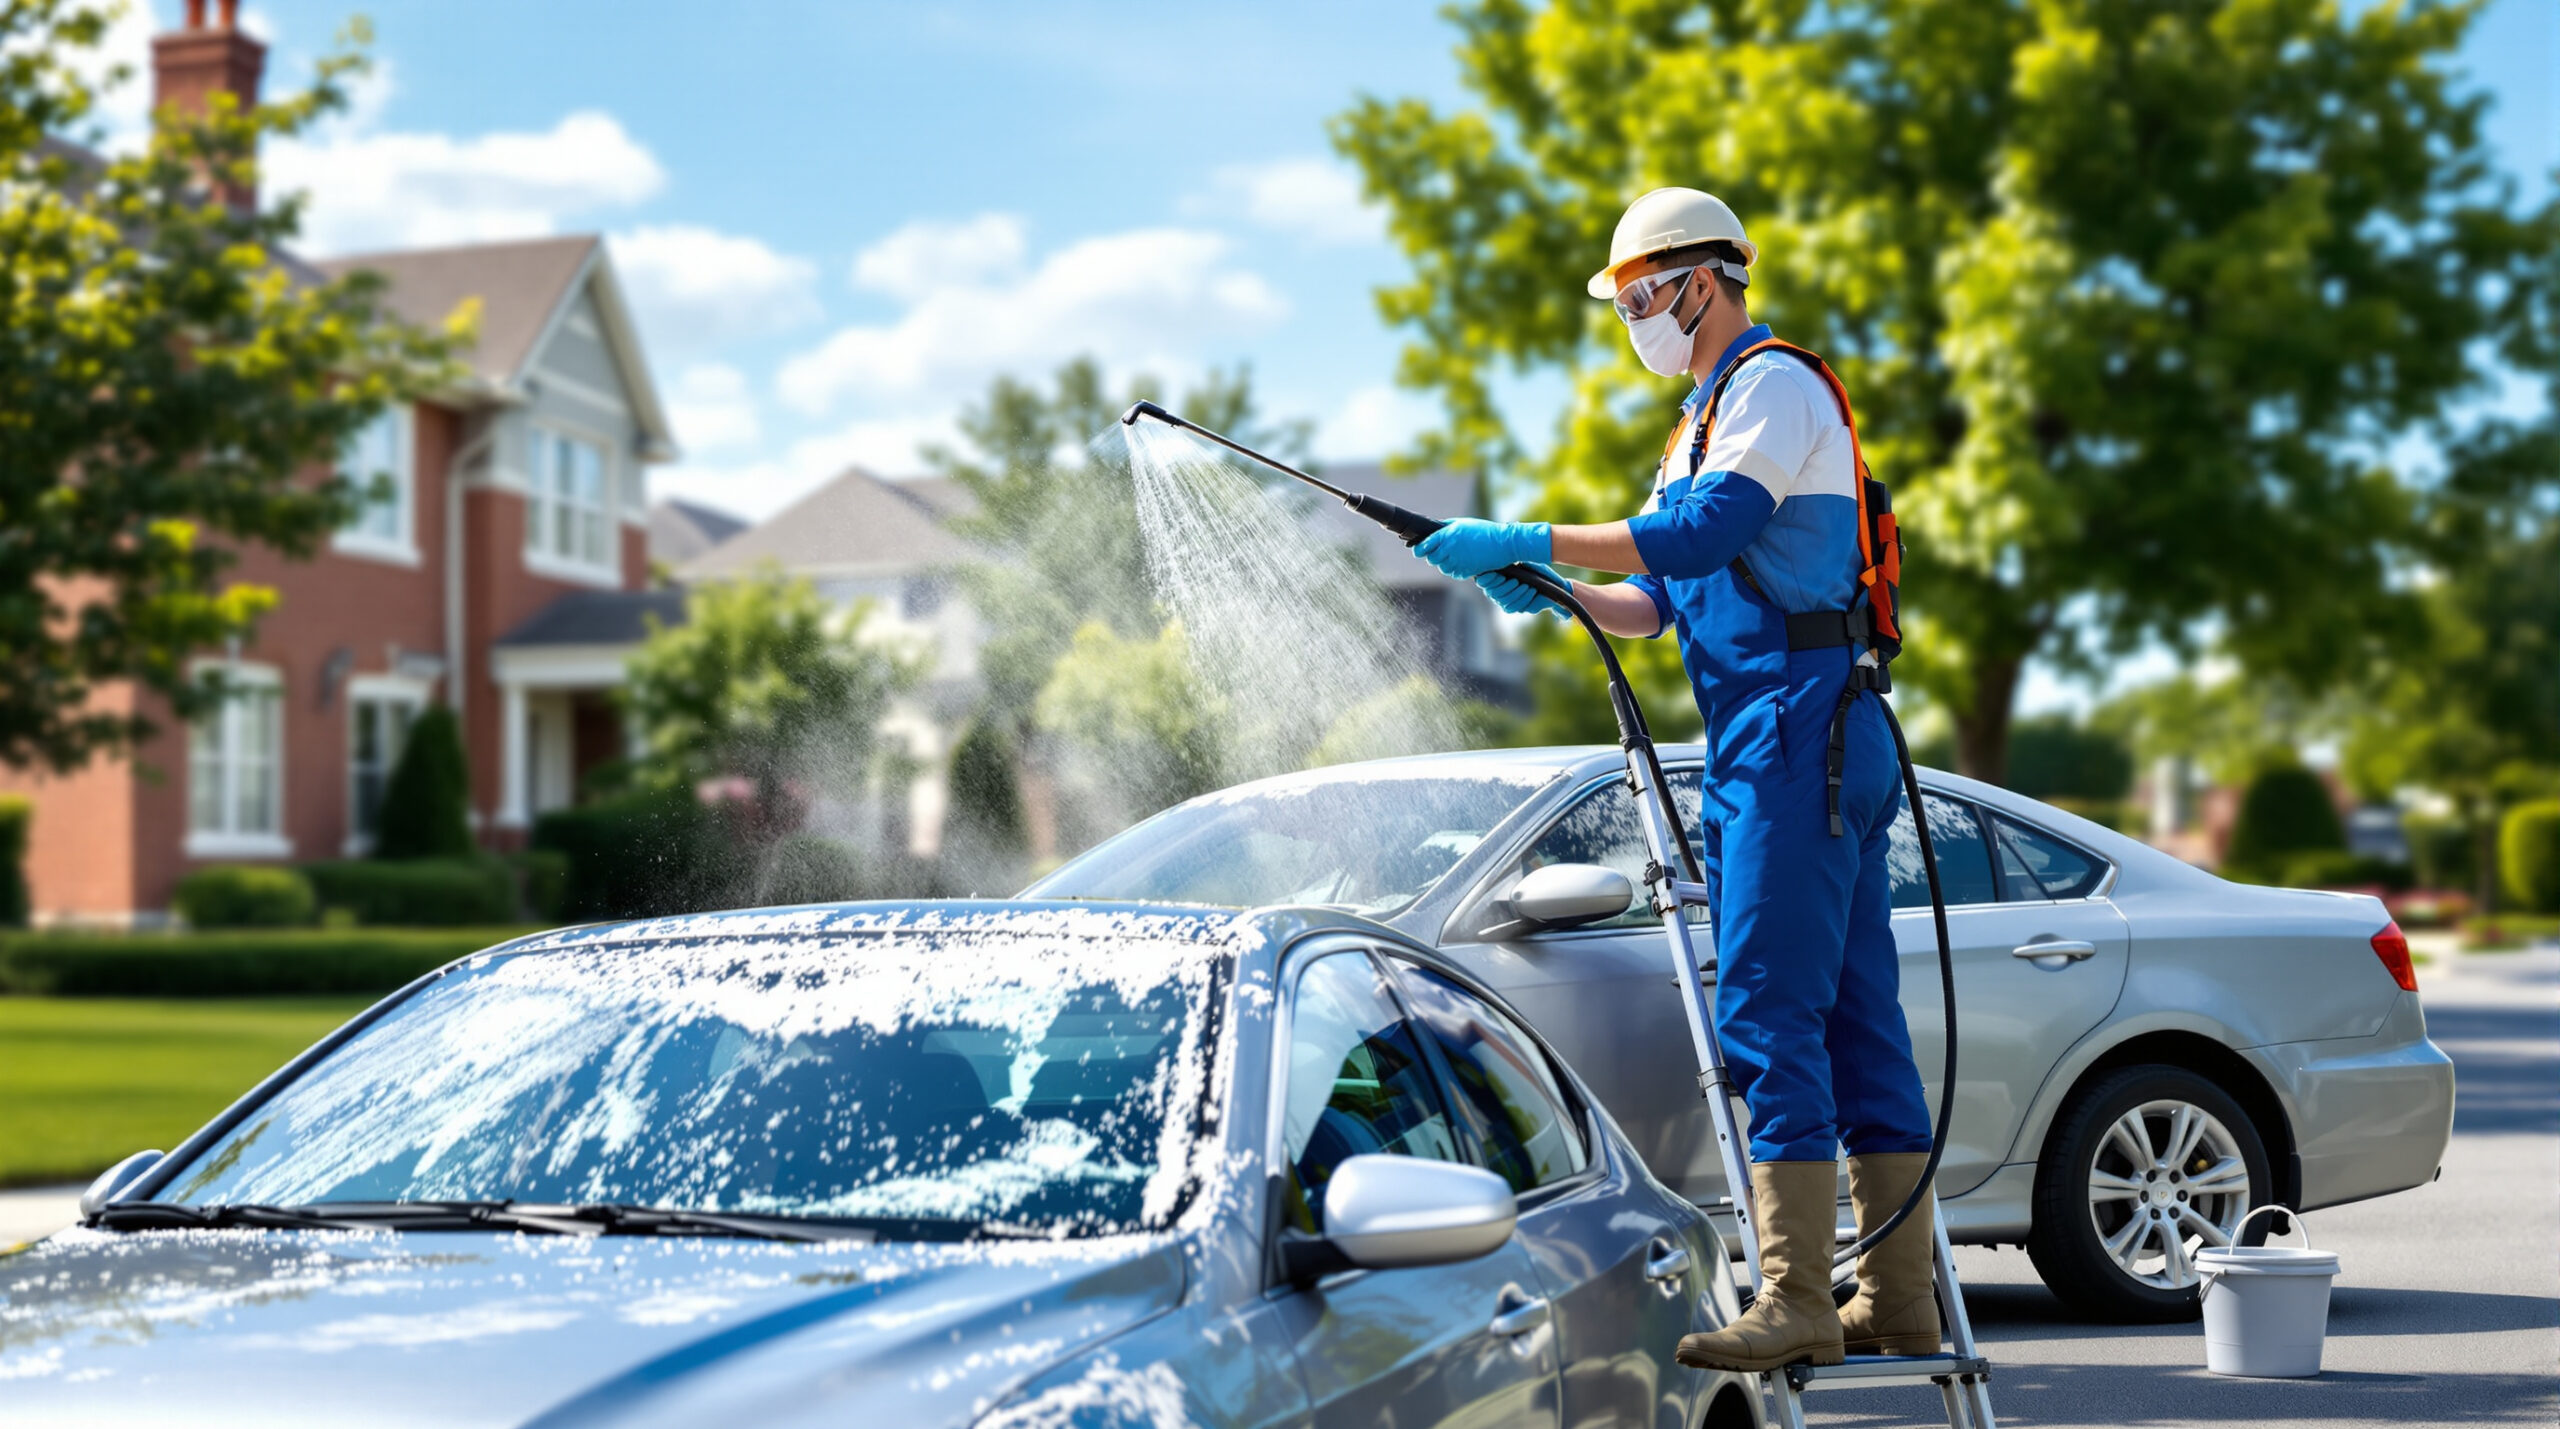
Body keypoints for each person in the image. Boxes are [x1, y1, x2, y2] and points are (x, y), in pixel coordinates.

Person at [1412, 188, 1938, 1373]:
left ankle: (1801, 1294)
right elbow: (1652, 601)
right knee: (1854, 1020)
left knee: (1762, 1005)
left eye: (1639, 295)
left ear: (1701, 280)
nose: (1632, 319)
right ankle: (1901, 1304)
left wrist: (1535, 534)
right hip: (1794, 735)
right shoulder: (1696, 421)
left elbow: (1704, 533)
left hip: (1799, 734)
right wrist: (1544, 587)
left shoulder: (1770, 387)